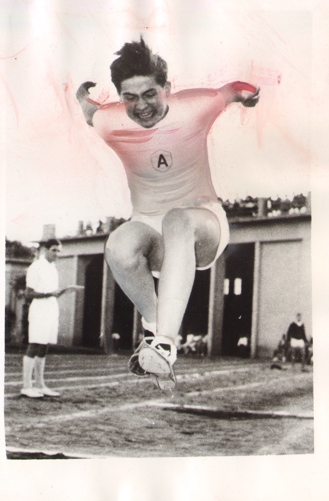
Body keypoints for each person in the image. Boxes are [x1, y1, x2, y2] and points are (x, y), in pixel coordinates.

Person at [76, 37, 260, 389]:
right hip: (151, 235)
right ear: (119, 98)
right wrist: (80, 98)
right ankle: (152, 324)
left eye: (150, 94)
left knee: (177, 218)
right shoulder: (111, 120)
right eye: (129, 97)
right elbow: (90, 115)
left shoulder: (194, 107)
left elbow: (233, 89)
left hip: (200, 225)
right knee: (118, 243)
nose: (141, 106)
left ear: (168, 89)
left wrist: (251, 93)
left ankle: (164, 342)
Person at [21, 238, 80, 398]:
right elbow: (28, 293)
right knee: (35, 344)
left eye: (59, 250)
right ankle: (27, 386)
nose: (57, 254)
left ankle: (40, 385)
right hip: (39, 310)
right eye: (54, 250)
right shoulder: (36, 266)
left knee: (44, 346)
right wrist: (50, 294)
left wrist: (62, 291)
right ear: (45, 250)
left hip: (51, 309)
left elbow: (52, 292)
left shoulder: (53, 268)